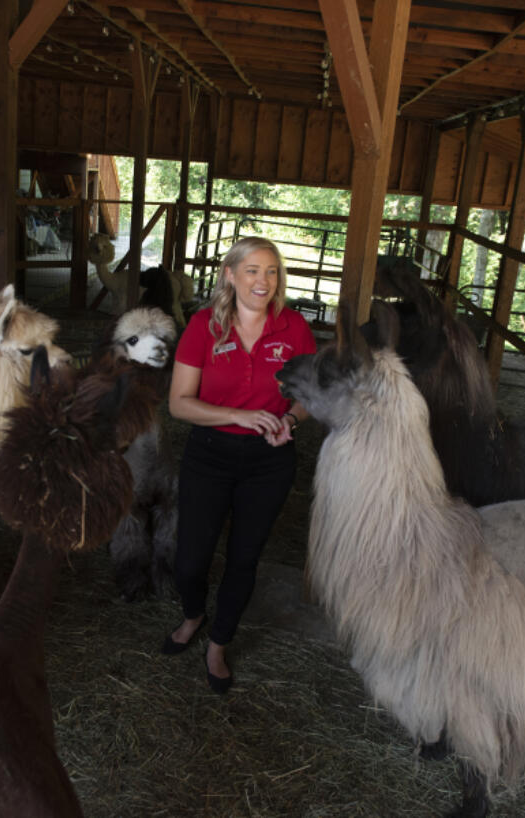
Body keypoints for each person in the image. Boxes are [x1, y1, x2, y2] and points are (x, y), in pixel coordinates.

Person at [159, 236, 315, 695]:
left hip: (269, 462)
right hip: (210, 454)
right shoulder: (204, 326)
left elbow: (307, 396)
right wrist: (238, 415)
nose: (262, 281)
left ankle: (218, 643)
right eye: (252, 270)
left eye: (271, 272)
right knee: (190, 559)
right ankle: (193, 615)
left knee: (244, 558)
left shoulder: (294, 329)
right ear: (230, 274)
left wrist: (289, 419)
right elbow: (179, 405)